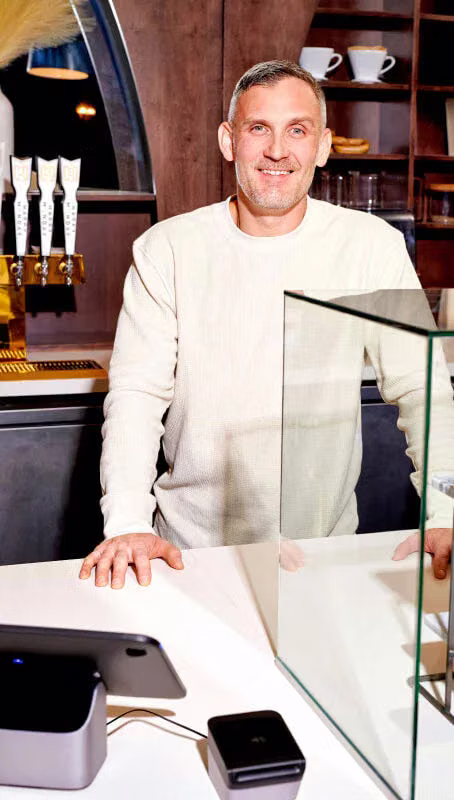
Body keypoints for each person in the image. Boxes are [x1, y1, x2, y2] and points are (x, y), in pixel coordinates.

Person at [79, 60, 454, 589]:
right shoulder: (167, 248)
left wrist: (445, 510)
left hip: (320, 556)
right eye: (259, 128)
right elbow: (136, 395)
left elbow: (423, 389)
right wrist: (127, 523)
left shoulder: (372, 246)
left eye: (297, 130)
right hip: (190, 556)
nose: (278, 150)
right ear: (228, 141)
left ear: (323, 146)